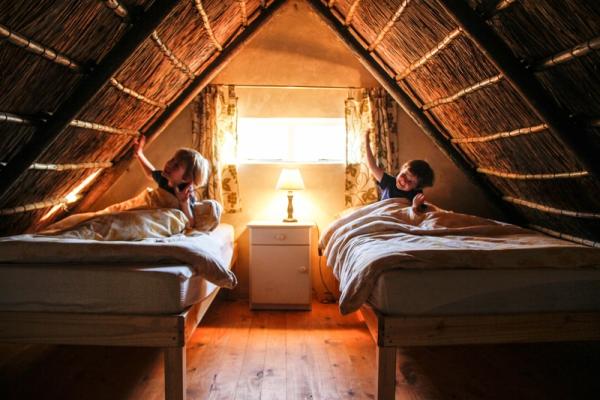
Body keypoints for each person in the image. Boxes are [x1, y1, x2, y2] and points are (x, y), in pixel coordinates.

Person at [133, 136, 209, 227]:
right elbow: (150, 173)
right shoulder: (164, 179)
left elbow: (190, 223)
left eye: (176, 165)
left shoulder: (186, 194)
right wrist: (139, 154)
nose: (169, 164)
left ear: (186, 178)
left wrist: (183, 203)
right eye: (172, 160)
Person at [364, 130, 434, 210]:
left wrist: (415, 207)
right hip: (385, 212)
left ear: (416, 187)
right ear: (402, 169)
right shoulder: (389, 182)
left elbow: (419, 213)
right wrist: (367, 144)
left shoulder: (416, 194)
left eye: (410, 181)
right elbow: (372, 166)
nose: (404, 180)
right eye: (404, 174)